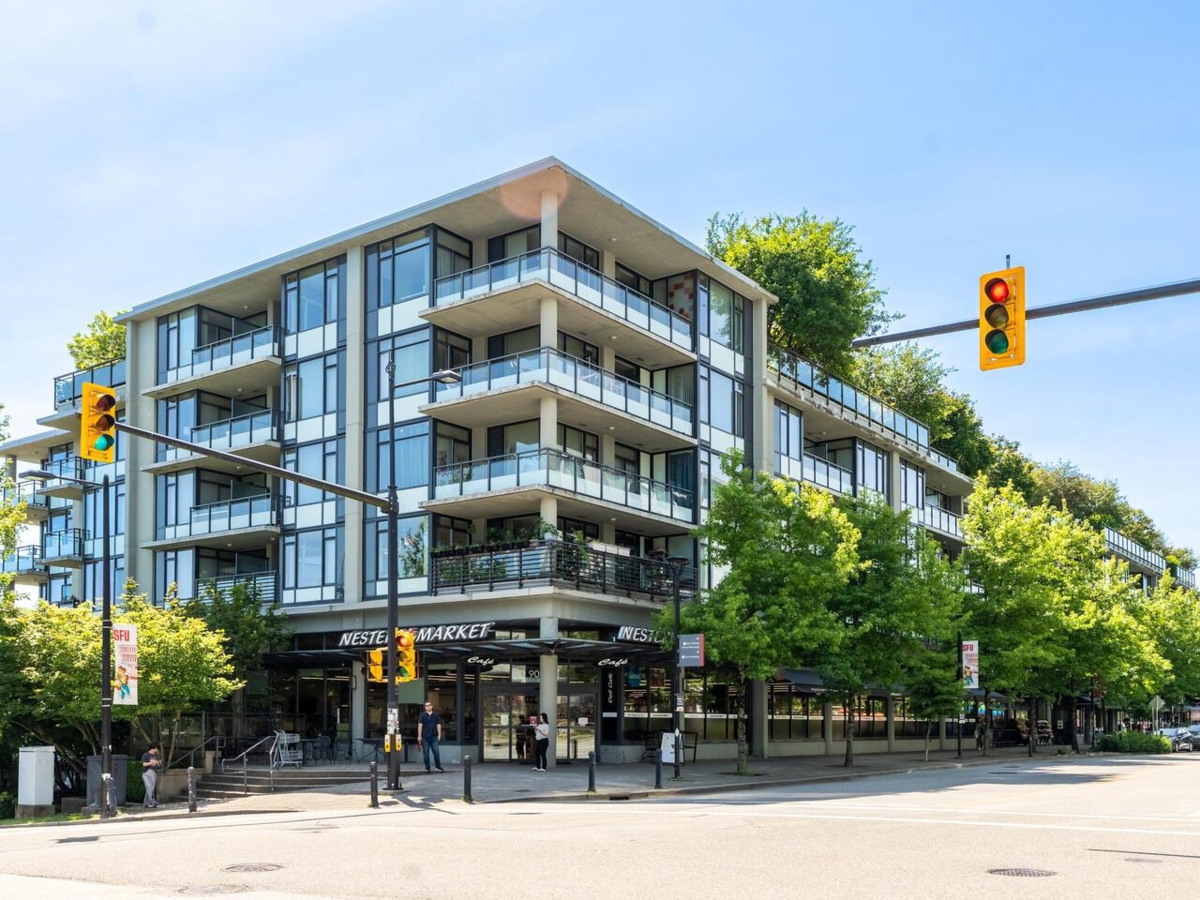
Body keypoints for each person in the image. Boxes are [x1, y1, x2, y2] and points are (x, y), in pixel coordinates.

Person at [417, 701, 445, 773]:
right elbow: (420, 726)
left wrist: (439, 734)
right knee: (426, 753)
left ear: (432, 706)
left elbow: (438, 725)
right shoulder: (422, 716)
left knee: (436, 752)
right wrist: (419, 736)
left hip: (434, 737)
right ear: (425, 708)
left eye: (429, 705)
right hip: (425, 737)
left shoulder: (436, 715)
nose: (428, 707)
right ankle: (427, 767)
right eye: (426, 706)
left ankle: (438, 767)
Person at [141, 744, 162, 808]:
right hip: (146, 772)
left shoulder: (157, 755)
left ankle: (146, 803)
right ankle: (153, 802)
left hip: (154, 773)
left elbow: (159, 763)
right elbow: (144, 764)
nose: (156, 750)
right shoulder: (146, 755)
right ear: (153, 748)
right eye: (156, 749)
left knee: (150, 788)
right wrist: (151, 763)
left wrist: (157, 762)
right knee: (149, 787)